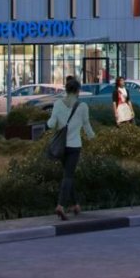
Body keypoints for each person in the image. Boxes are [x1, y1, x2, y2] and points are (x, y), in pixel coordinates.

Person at [50, 76, 95, 221]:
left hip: (61, 146)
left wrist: (49, 124)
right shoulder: (82, 106)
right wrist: (94, 138)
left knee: (68, 175)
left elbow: (51, 123)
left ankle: (75, 205)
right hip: (74, 146)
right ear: (77, 91)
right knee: (68, 176)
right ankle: (61, 205)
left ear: (66, 90)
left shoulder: (57, 104)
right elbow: (87, 126)